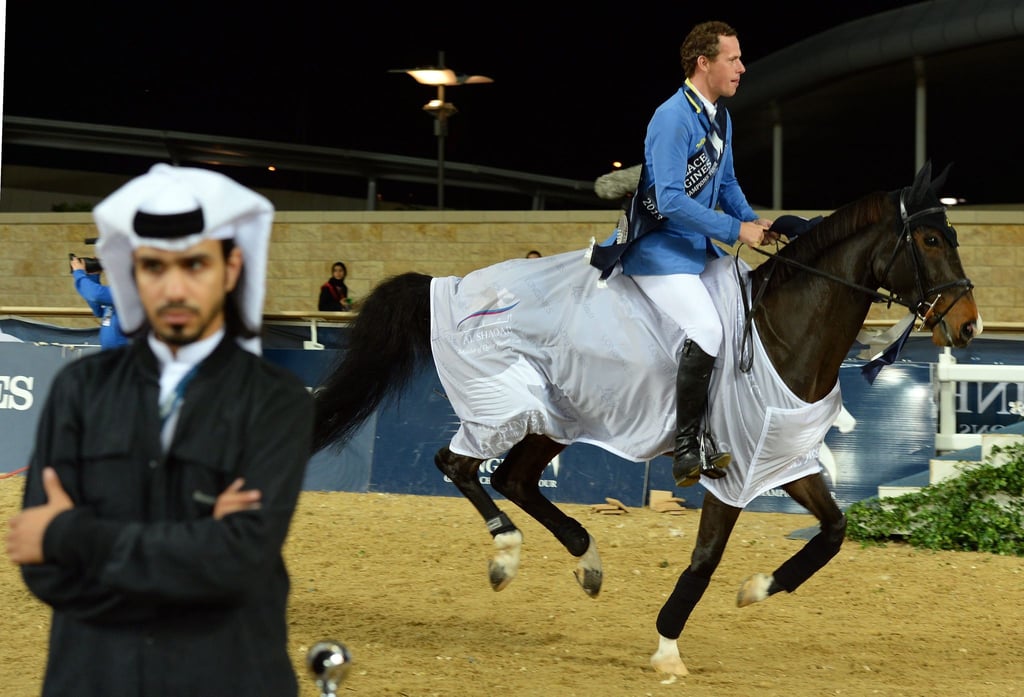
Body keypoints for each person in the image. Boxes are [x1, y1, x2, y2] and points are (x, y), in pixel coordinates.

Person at [5, 164, 315, 697]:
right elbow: (46, 572)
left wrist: (73, 533)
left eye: (195, 264)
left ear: (231, 267)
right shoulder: (79, 390)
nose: (174, 288)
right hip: (92, 677)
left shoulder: (275, 400)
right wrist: (199, 547)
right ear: (132, 273)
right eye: (153, 267)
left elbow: (239, 562)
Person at [594, 21, 775, 487]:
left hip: (695, 247)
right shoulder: (672, 117)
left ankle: (715, 429)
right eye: (732, 59)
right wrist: (736, 228)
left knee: (742, 302)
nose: (741, 67)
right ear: (704, 63)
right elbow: (671, 200)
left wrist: (753, 222)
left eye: (739, 58)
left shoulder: (720, 117)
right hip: (658, 250)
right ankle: (686, 445)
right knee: (708, 328)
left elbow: (728, 183)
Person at [69, 254, 129, 349]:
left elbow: (96, 295)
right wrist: (94, 275)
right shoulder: (116, 291)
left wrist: (79, 273)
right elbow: (98, 310)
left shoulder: (132, 290)